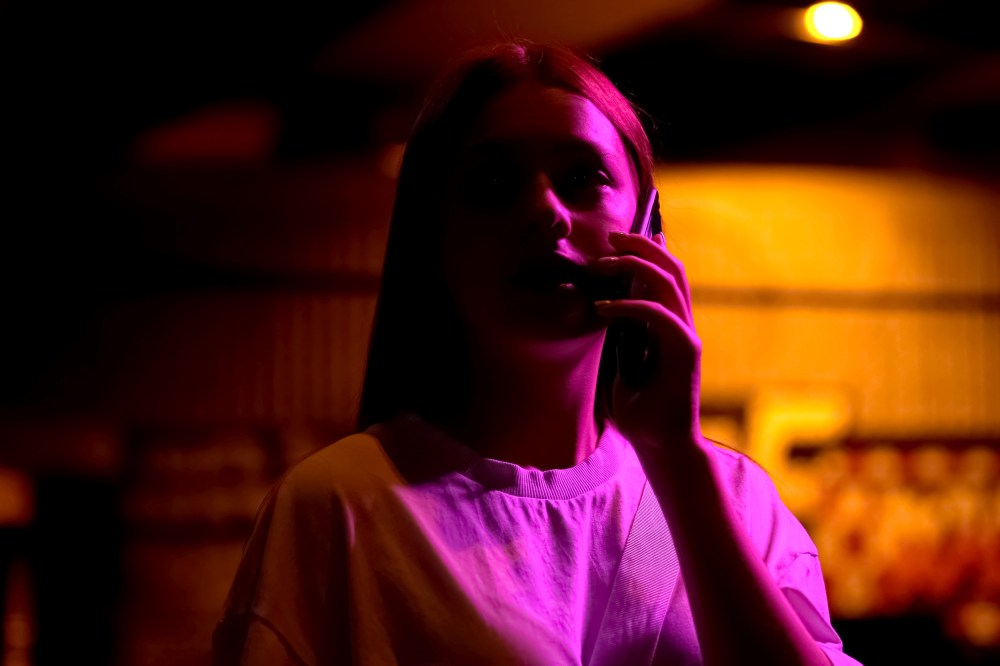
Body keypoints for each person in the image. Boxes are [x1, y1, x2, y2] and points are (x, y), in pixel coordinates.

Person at [213, 41, 861, 665]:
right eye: (494, 182)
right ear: (432, 232)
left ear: (647, 226)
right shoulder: (338, 506)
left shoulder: (738, 501)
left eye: (583, 177)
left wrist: (678, 461)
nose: (544, 211)